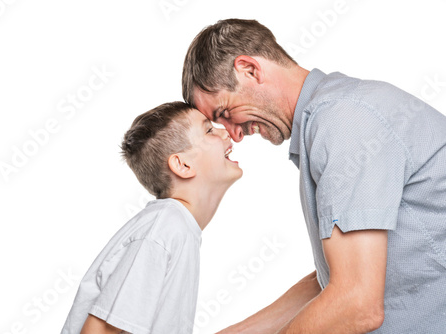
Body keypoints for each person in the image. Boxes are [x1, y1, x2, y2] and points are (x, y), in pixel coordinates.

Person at [182, 18, 446, 334]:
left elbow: (356, 303)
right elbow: (331, 281)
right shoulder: (332, 118)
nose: (235, 135)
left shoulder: (344, 120)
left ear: (249, 70)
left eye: (224, 113)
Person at [60, 101, 242, 334]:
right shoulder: (166, 227)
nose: (224, 131)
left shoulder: (176, 228)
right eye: (209, 130)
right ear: (183, 165)